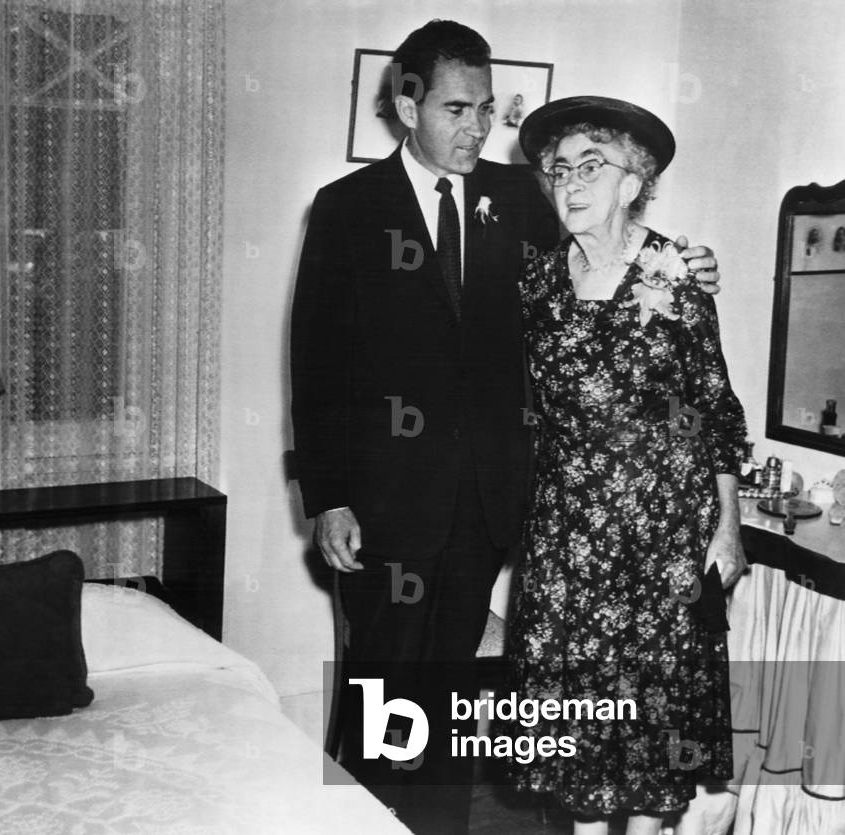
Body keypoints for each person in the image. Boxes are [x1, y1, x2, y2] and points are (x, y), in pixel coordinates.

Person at [290, 21, 721, 832]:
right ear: (404, 102)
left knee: (452, 695)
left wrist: (690, 265)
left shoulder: (522, 197)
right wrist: (329, 495)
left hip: (487, 501)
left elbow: (610, 259)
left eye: (488, 110)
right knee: (382, 688)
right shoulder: (348, 209)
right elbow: (316, 364)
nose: (477, 128)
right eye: (456, 108)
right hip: (384, 504)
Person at [504, 96, 748, 835]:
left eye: (590, 165)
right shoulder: (537, 283)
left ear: (632, 179)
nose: (569, 182)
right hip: (568, 539)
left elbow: (714, 410)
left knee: (652, 731)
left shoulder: (675, 274)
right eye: (556, 169)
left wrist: (727, 528)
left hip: (663, 534)